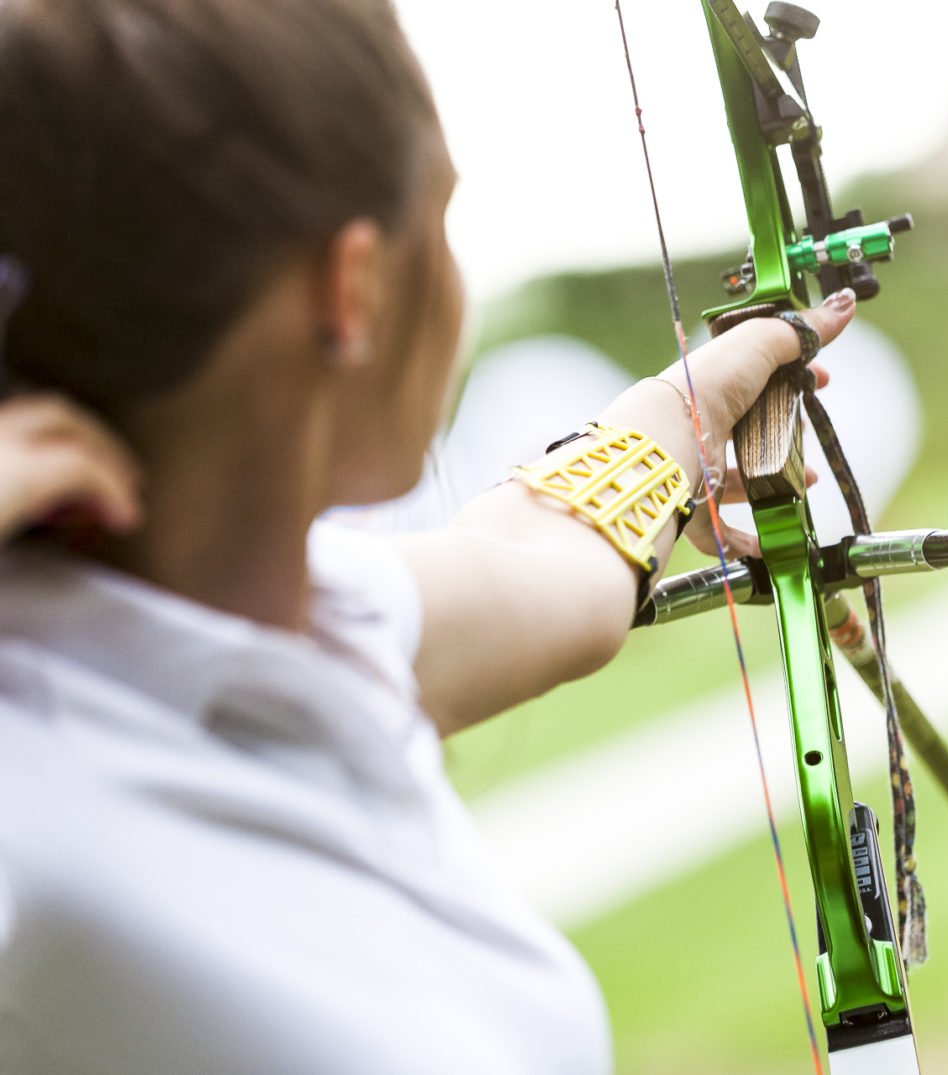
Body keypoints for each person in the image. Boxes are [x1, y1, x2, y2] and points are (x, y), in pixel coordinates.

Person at [0, 1, 852, 1071]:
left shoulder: (311, 616)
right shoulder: (29, 768)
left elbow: (542, 566)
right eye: (442, 214)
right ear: (352, 288)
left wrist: (688, 409)